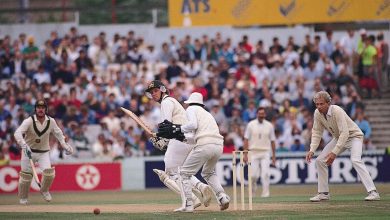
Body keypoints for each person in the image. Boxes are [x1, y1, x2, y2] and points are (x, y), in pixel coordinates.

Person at [144, 80, 213, 209]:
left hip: (180, 137)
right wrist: (162, 137)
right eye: (151, 93)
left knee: (170, 172)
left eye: (155, 91)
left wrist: (160, 137)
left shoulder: (166, 102)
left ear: (163, 89)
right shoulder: (171, 101)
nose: (153, 94)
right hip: (188, 139)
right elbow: (169, 127)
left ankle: (190, 201)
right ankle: (201, 187)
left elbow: (166, 126)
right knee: (182, 172)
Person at [157, 92, 230, 212]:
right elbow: (194, 135)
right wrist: (179, 135)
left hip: (205, 144)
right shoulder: (207, 114)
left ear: (190, 102)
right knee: (208, 172)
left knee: (184, 173)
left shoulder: (191, 109)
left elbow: (193, 125)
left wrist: (177, 128)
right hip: (218, 145)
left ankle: (189, 205)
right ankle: (222, 197)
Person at [305, 91, 380, 202]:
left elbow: (345, 133)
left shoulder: (337, 110)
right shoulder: (317, 113)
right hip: (339, 137)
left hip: (354, 136)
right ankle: (323, 193)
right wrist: (312, 150)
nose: (319, 107)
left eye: (321, 104)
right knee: (320, 160)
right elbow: (317, 132)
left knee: (355, 160)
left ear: (328, 103)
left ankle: (373, 192)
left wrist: (334, 153)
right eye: (317, 104)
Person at [14, 99, 74, 205]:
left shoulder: (51, 121)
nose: (40, 110)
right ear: (35, 109)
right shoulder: (29, 121)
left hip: (43, 152)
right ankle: (23, 198)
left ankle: (44, 190)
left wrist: (64, 145)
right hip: (28, 151)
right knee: (26, 177)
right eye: (38, 108)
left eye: (42, 108)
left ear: (46, 109)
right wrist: (24, 145)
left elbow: (58, 133)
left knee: (49, 173)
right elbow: (17, 133)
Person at [243, 107, 276, 198]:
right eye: (259, 114)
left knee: (265, 174)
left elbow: (273, 141)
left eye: (263, 114)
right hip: (253, 152)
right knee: (253, 175)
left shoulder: (269, 125)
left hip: (265, 152)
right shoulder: (251, 125)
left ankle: (265, 194)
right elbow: (246, 139)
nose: (261, 115)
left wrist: (274, 156)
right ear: (257, 114)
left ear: (265, 115)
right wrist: (245, 154)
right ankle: (252, 191)